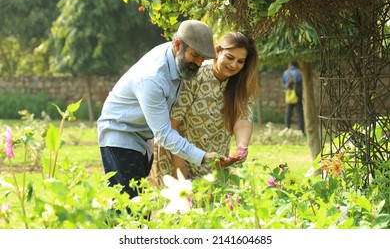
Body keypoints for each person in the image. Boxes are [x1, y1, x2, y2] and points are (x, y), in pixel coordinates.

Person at [97, 20, 240, 199]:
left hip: (143, 138)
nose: (199, 62)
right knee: (127, 208)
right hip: (121, 134)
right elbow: (164, 133)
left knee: (141, 206)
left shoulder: (176, 56)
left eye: (203, 58)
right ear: (178, 45)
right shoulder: (152, 78)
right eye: (195, 55)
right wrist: (203, 156)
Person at [148, 31, 260, 187]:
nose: (234, 65)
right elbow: (173, 124)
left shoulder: (240, 84)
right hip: (178, 157)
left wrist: (242, 145)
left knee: (214, 208)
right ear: (217, 51)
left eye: (240, 61)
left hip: (215, 162)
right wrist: (179, 167)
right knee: (179, 208)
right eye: (229, 57)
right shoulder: (196, 75)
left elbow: (243, 118)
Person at [282, 61, 305, 134]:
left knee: (288, 114)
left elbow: (284, 82)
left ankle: (287, 129)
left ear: (290, 64)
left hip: (289, 96)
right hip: (298, 96)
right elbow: (302, 82)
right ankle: (301, 130)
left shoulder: (286, 73)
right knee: (300, 114)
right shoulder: (300, 73)